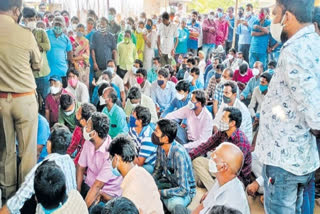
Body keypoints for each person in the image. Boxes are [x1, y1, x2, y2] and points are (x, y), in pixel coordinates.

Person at [256, 1, 320, 213]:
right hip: (297, 157)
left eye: (275, 14)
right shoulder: (313, 42)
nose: (273, 20)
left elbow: (316, 114)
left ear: (288, 16)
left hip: (285, 160)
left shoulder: (296, 50)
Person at [0, 0, 42, 201]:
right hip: (24, 100)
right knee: (27, 154)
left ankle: (7, 199)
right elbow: (37, 63)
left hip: (1, 102)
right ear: (16, 10)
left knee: (6, 152)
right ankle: (23, 201)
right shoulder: (25, 34)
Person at [1, 124, 77, 214]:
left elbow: (18, 199)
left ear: (49, 144)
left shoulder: (43, 168)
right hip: (71, 208)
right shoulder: (70, 162)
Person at [190, 107, 252, 190]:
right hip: (221, 167)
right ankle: (213, 190)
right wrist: (188, 156)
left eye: (223, 118)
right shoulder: (222, 132)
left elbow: (234, 170)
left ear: (232, 123)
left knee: (225, 182)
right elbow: (206, 145)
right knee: (197, 161)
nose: (220, 120)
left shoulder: (241, 141)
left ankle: (216, 189)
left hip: (236, 177)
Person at [108, 135, 163, 213]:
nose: (110, 162)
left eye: (111, 158)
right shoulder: (141, 172)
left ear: (116, 158)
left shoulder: (130, 190)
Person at [77, 112, 122, 208]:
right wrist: (78, 191)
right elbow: (80, 167)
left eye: (88, 127)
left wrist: (81, 210)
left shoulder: (111, 154)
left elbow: (97, 186)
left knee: (95, 209)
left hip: (105, 193)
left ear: (94, 133)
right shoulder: (88, 143)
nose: (85, 129)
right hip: (89, 185)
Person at [191, 143, 250, 214]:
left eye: (215, 155)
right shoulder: (222, 179)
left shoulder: (228, 207)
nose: (212, 156)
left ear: (223, 167)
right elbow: (203, 205)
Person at [152, 119, 196, 213]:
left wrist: (161, 193)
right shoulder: (161, 147)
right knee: (146, 188)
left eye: (156, 131)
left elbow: (184, 189)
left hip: (184, 191)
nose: (153, 133)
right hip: (169, 183)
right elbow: (157, 170)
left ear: (165, 138)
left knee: (174, 205)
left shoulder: (178, 154)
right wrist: (150, 182)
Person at [22, 7, 51, 103]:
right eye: (30, 20)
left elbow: (47, 46)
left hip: (43, 72)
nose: (32, 21)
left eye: (34, 19)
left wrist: (35, 46)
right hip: (29, 73)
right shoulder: (22, 32)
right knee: (32, 100)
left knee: (46, 98)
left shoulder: (41, 32)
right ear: (24, 20)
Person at [128, 106, 158, 172]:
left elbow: (139, 163)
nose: (130, 118)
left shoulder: (148, 138)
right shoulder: (133, 129)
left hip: (148, 164)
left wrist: (128, 151)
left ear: (140, 121)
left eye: (134, 117)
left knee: (132, 171)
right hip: (135, 157)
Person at [46, 16, 73, 82]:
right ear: (52, 25)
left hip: (62, 72)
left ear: (63, 26)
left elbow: (70, 55)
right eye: (56, 24)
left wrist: (69, 68)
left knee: (61, 91)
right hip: (48, 72)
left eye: (60, 25)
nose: (57, 26)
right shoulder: (46, 34)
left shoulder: (66, 39)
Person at [72, 23, 90, 88]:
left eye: (82, 30)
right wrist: (73, 61)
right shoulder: (71, 39)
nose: (80, 32)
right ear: (76, 30)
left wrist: (75, 59)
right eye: (79, 30)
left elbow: (87, 55)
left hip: (83, 65)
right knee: (74, 84)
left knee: (84, 85)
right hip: (73, 65)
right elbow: (69, 52)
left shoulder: (86, 41)